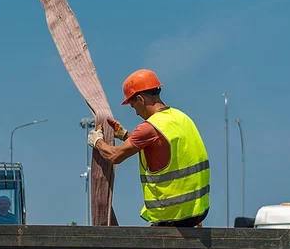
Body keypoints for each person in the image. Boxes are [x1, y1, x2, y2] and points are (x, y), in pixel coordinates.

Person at [88, 69, 211, 227]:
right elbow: (160, 146)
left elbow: (114, 156)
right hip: (197, 212)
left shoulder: (149, 127)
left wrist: (97, 141)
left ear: (140, 98)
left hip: (173, 213)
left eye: (134, 107)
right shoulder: (181, 117)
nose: (136, 113)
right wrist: (125, 135)